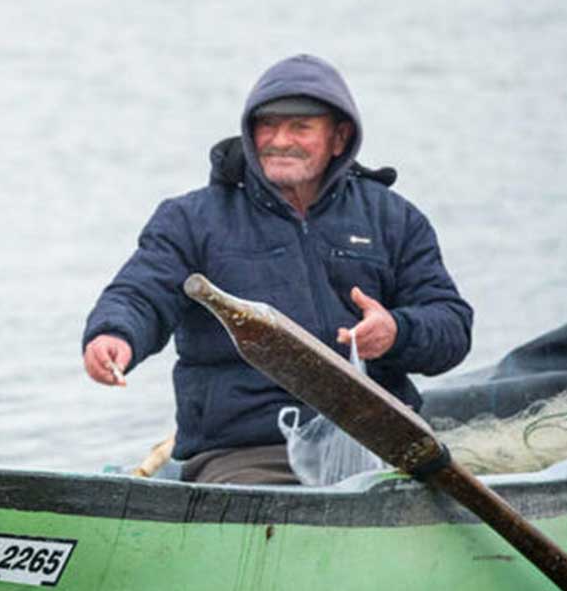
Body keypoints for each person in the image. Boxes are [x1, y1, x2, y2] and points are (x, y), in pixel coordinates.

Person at [81, 54, 473, 485]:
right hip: (245, 450)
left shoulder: (394, 218)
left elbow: (451, 325)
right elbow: (140, 293)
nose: (279, 140)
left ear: (339, 138)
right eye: (267, 125)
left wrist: (396, 331)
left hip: (383, 445)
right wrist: (113, 334)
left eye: (300, 127)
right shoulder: (191, 219)